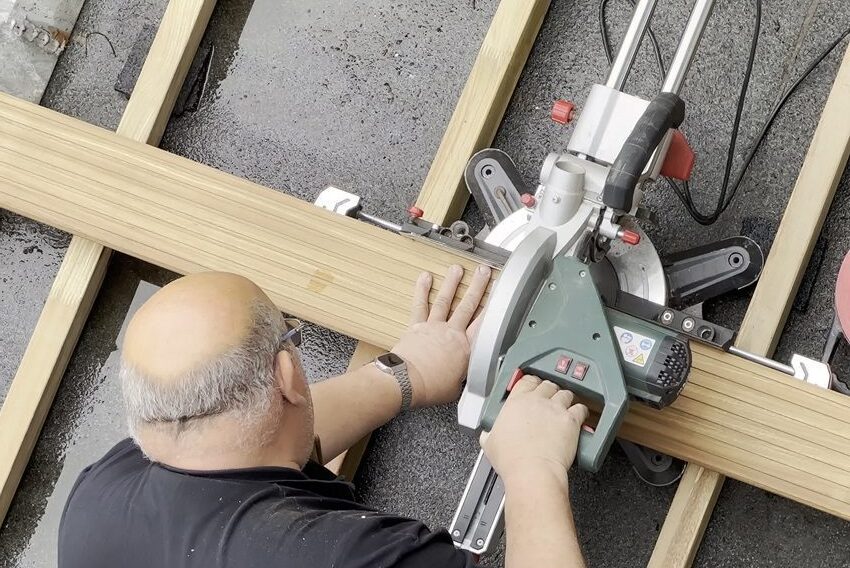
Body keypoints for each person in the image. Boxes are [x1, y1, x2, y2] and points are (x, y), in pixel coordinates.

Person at [58, 267, 589, 567]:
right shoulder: (345, 558)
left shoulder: (100, 498)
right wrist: (532, 468)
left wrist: (407, 375)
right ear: (289, 374)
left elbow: (255, 439)